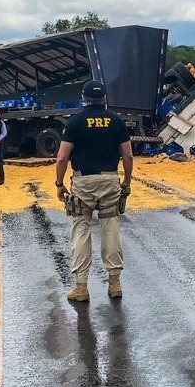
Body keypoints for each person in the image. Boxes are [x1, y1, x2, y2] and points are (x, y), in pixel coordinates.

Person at [55, 80, 132, 302]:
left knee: (81, 229)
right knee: (111, 228)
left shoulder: (75, 122)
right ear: (104, 98)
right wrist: (126, 182)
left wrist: (60, 184)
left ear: (83, 97)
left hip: (83, 182)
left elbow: (62, 157)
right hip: (109, 179)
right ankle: (115, 283)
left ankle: (81, 287)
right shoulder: (116, 121)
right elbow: (127, 156)